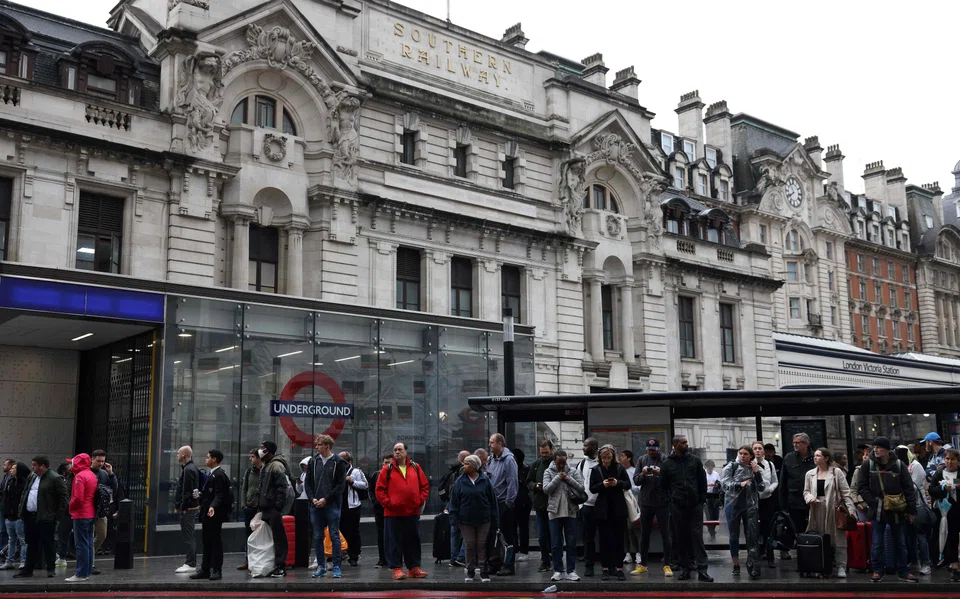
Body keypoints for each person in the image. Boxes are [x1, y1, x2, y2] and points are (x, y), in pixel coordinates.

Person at [857, 436, 918, 583]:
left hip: (897, 510)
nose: (875, 450)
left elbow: (908, 488)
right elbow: (861, 486)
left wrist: (911, 510)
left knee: (900, 542)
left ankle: (903, 571)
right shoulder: (868, 465)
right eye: (875, 447)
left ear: (887, 449)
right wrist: (872, 502)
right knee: (877, 542)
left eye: (879, 447)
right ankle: (877, 571)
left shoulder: (899, 464)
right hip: (877, 510)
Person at [659, 435, 712, 582]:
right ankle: (685, 569)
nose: (686, 445)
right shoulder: (667, 464)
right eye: (683, 443)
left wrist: (701, 500)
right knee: (681, 538)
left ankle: (702, 570)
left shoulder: (694, 460)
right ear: (675, 445)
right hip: (677, 507)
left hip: (695, 506)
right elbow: (662, 486)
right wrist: (669, 501)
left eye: (686, 442)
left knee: (697, 538)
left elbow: (702, 482)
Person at [375, 442, 429, 580]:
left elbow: (424, 486)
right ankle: (396, 568)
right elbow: (379, 490)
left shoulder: (416, 467)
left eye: (399, 449)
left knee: (413, 540)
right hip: (393, 513)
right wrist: (389, 503)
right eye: (395, 450)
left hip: (412, 512)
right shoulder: (387, 469)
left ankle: (414, 568)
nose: (397, 452)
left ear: (406, 452)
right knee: (394, 541)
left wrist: (420, 500)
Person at [803, 447, 855, 578]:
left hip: (834, 508)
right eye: (815, 455)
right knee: (819, 537)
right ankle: (820, 565)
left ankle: (841, 566)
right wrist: (810, 498)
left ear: (826, 458)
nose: (815, 458)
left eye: (818, 456)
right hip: (817, 509)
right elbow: (806, 491)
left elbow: (846, 492)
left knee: (838, 539)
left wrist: (851, 510)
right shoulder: (810, 474)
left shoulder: (836, 472)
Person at [13, 456, 66, 579]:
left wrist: (57, 515)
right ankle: (28, 569)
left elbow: (63, 497)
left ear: (42, 466)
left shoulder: (55, 478)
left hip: (46, 518)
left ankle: (50, 569)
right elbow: (25, 493)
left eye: (34, 465)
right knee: (30, 543)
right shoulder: (32, 477)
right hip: (30, 516)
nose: (32, 467)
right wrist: (22, 512)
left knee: (48, 543)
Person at [448, 454, 498, 582]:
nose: (464, 466)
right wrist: (454, 519)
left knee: (481, 544)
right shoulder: (460, 481)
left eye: (467, 464)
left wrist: (495, 520)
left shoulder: (485, 480)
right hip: (465, 520)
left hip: (484, 519)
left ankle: (483, 570)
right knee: (469, 544)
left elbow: (493, 501)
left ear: (474, 466)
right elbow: (454, 502)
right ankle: (470, 570)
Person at [304, 434, 347, 579]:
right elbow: (307, 483)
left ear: (327, 446)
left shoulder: (338, 462)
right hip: (316, 505)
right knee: (317, 536)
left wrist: (326, 499)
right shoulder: (313, 461)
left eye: (319, 445)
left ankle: (336, 566)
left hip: (332, 505)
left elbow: (341, 486)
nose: (316, 447)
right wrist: (313, 498)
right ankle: (321, 566)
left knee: (334, 535)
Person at [721, 445, 765, 579]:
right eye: (740, 453)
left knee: (751, 535)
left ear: (751, 456)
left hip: (749, 505)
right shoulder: (731, 467)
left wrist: (757, 472)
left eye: (746, 454)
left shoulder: (755, 468)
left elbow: (761, 487)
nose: (742, 456)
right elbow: (724, 484)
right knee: (733, 535)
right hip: (732, 505)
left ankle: (753, 566)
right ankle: (736, 564)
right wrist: (740, 484)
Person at [542, 449, 584, 582]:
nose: (561, 464)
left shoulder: (573, 471)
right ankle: (558, 570)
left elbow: (581, 488)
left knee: (571, 542)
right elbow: (546, 489)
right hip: (554, 511)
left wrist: (567, 478)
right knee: (555, 543)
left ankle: (571, 570)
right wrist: (558, 477)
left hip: (571, 511)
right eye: (559, 462)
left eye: (564, 462)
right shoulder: (548, 472)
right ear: (554, 461)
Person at [589, 444, 630, 581]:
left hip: (618, 509)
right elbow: (592, 488)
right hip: (602, 510)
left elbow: (627, 484)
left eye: (608, 458)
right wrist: (603, 485)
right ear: (600, 457)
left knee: (619, 540)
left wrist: (617, 483)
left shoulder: (619, 468)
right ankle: (605, 568)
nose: (606, 460)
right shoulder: (596, 470)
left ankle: (619, 568)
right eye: (604, 458)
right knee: (604, 540)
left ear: (613, 457)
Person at [632, 438, 672, 577]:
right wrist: (643, 473)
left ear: (658, 448)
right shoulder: (642, 460)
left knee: (665, 534)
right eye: (649, 450)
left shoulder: (665, 459)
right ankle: (643, 564)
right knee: (644, 534)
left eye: (654, 450)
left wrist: (659, 473)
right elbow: (636, 480)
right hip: (646, 501)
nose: (651, 452)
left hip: (662, 502)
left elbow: (671, 479)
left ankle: (667, 564)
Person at [190, 450, 229, 581]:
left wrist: (213, 506)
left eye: (208, 458)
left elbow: (220, 494)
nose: (206, 460)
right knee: (206, 541)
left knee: (215, 542)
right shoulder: (212, 474)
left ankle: (216, 570)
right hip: (207, 514)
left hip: (214, 515)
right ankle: (205, 568)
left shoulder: (218, 475)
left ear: (214, 459)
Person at [486, 433, 518, 576]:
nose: (489, 445)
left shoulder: (509, 460)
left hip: (504, 503)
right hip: (493, 503)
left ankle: (509, 565)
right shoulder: (491, 459)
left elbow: (512, 483)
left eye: (492, 442)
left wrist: (508, 503)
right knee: (493, 535)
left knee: (508, 536)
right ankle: (495, 563)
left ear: (500, 444)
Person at [258, 440, 291, 578]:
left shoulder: (276, 466)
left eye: (263, 448)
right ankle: (273, 565)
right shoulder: (266, 466)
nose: (260, 450)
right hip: (266, 507)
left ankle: (281, 566)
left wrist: (278, 506)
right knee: (271, 538)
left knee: (279, 537)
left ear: (269, 451)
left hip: (272, 508)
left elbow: (282, 488)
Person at [779, 433, 815, 560]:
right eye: (794, 442)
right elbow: (783, 481)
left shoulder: (815, 457)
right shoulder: (789, 458)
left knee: (812, 527)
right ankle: (785, 549)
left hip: (812, 500)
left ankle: (810, 551)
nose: (794, 445)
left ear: (806, 444)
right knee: (792, 527)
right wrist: (783, 504)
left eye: (798, 442)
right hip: (794, 500)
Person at [897, 445, 932, 575]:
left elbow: (913, 487)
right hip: (904, 507)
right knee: (908, 536)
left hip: (917, 506)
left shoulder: (916, 466)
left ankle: (926, 563)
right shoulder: (900, 465)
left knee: (920, 536)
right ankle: (914, 561)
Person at [928, 447, 960, 581]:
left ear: (958, 461)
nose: (949, 462)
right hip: (947, 513)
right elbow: (931, 490)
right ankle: (954, 567)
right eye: (947, 459)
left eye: (953, 459)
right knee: (951, 538)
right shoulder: (940, 473)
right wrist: (942, 488)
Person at [67, 453, 97, 582]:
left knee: (81, 545)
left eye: (72, 462)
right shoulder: (91, 475)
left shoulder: (79, 477)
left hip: (81, 513)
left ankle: (81, 573)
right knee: (89, 543)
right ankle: (87, 571)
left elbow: (78, 498)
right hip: (90, 512)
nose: (70, 465)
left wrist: (70, 506)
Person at [526, 439, 554, 572]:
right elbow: (528, 482)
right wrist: (535, 486)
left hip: (554, 505)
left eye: (546, 452)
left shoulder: (556, 463)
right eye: (542, 452)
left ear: (551, 450)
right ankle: (545, 560)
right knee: (542, 536)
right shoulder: (536, 464)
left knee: (554, 535)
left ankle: (554, 558)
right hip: (540, 505)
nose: (544, 455)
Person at [89, 449, 117, 572]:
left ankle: (89, 556)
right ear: (92, 459)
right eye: (98, 461)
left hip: (101, 509)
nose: (100, 464)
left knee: (102, 535)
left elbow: (113, 488)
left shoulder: (104, 474)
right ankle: (90, 561)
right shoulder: (86, 472)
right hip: (88, 508)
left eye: (102, 461)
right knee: (89, 536)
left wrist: (111, 473)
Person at [753, 441, 779, 568]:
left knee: (768, 529)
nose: (757, 451)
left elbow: (775, 481)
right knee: (754, 529)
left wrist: (770, 490)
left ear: (763, 451)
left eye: (759, 448)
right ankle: (756, 555)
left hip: (767, 500)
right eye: (755, 448)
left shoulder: (770, 464)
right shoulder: (750, 464)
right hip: (753, 500)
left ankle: (770, 556)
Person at [174, 446, 200, 574]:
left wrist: (182, 507)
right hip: (190, 507)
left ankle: (191, 563)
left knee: (188, 536)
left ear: (184, 455)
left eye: (178, 453)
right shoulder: (190, 468)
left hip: (189, 509)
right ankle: (190, 562)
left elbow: (186, 491)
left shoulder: (188, 470)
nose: (177, 455)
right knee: (188, 535)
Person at [339, 451, 367, 567]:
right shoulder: (337, 471)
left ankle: (354, 555)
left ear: (349, 462)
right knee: (340, 531)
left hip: (353, 506)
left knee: (353, 531)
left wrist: (352, 481)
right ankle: (341, 553)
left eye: (343, 461)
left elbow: (365, 485)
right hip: (339, 505)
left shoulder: (356, 471)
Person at [442, 450, 470, 568]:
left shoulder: (452, 471)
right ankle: (460, 557)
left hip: (452, 506)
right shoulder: (464, 471)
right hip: (463, 507)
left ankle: (454, 559)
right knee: (467, 534)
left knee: (455, 534)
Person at [577, 437, 600, 577]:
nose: (583, 448)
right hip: (587, 506)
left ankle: (608, 566)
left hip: (602, 506)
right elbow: (579, 484)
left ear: (594, 446)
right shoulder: (581, 464)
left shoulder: (602, 462)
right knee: (588, 538)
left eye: (586, 446)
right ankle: (589, 565)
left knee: (605, 536)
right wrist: (581, 505)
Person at [1, 460, 28, 570]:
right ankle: (10, 561)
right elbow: (6, 498)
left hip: (18, 517)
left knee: (22, 540)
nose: (11, 470)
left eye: (14, 468)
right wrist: (6, 514)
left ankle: (23, 561)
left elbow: (24, 500)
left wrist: (22, 515)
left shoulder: (24, 483)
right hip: (10, 516)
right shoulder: (10, 482)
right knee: (11, 540)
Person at [237, 449, 261, 571]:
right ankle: (248, 560)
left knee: (261, 536)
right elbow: (244, 488)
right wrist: (244, 504)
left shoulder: (265, 470)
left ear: (258, 458)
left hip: (260, 508)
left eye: (252, 457)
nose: (250, 459)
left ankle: (259, 560)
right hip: (250, 507)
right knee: (249, 535)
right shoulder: (249, 472)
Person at [369, 453, 392, 568]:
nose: (387, 465)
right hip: (379, 510)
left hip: (392, 509)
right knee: (381, 534)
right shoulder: (376, 475)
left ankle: (392, 558)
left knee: (393, 534)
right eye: (385, 463)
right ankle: (382, 559)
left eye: (389, 463)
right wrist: (376, 502)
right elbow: (371, 490)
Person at [619, 449, 641, 565]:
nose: (621, 458)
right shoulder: (620, 470)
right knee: (624, 529)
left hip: (632, 502)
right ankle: (627, 553)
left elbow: (638, 487)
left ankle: (638, 552)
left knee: (632, 528)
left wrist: (628, 487)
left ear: (629, 458)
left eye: (623, 456)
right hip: (622, 502)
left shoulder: (633, 471)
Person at [513, 448, 532, 563]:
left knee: (523, 527)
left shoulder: (525, 469)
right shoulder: (511, 467)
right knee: (512, 527)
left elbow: (528, 484)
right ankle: (514, 549)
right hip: (513, 501)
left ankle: (524, 550)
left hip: (523, 501)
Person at [56, 461, 73, 567]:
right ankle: (62, 556)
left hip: (69, 510)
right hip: (65, 512)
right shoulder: (62, 479)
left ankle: (63, 556)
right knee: (63, 535)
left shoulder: (73, 478)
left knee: (64, 534)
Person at [703, 460, 721, 541]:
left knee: (715, 515)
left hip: (715, 495)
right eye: (708, 466)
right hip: (706, 495)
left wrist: (717, 485)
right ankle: (711, 531)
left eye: (711, 466)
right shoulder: (703, 474)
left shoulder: (716, 474)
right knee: (708, 515)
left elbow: (719, 484)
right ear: (706, 467)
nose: (710, 468)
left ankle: (713, 529)